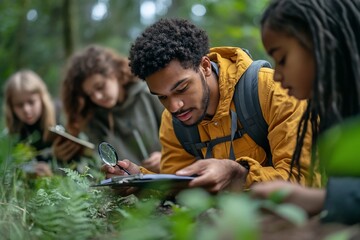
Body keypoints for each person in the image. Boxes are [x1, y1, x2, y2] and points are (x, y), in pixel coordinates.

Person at [103, 18, 321, 193]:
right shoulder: (173, 121)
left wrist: (239, 175)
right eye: (162, 97)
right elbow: (179, 185)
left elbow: (304, 181)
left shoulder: (275, 91)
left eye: (182, 88)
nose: (175, 106)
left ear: (205, 66)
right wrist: (140, 180)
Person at [251, 0, 360, 225]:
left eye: (282, 59)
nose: (277, 75)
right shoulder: (334, 114)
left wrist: (317, 200)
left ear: (324, 41)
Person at [53, 45, 164, 173]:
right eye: (90, 94)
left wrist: (165, 156)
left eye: (100, 87)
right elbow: (92, 170)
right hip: (130, 188)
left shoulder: (149, 94)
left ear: (115, 73)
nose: (97, 97)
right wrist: (62, 158)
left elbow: (180, 138)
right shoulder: (94, 119)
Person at [3, 69, 55, 177]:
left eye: (31, 102)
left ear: (42, 98)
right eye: (19, 105)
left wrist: (54, 170)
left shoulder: (62, 120)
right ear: (11, 107)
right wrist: (24, 174)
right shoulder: (10, 136)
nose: (26, 109)